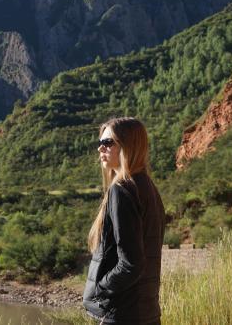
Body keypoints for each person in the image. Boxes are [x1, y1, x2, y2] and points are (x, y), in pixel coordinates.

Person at [82, 117, 165, 325]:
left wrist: (100, 289)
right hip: (146, 311)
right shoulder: (148, 188)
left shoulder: (122, 190)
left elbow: (131, 263)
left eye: (108, 142)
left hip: (123, 313)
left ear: (128, 146)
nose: (100, 148)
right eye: (100, 142)